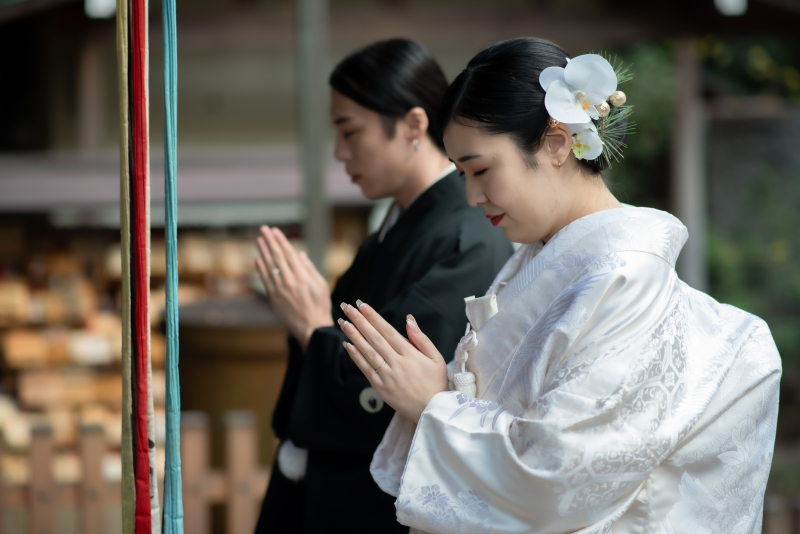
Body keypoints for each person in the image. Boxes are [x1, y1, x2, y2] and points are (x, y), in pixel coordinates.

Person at [337, 37, 781, 534]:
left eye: (481, 169)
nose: (471, 195)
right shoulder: (544, 260)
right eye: (462, 174)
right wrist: (444, 390)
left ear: (555, 143)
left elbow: (560, 471)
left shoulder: (626, 278)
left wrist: (436, 406)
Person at [253, 38, 513, 534]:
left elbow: (398, 389)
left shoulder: (469, 238)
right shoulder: (394, 225)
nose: (340, 152)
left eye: (350, 132)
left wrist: (312, 327)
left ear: (414, 125)